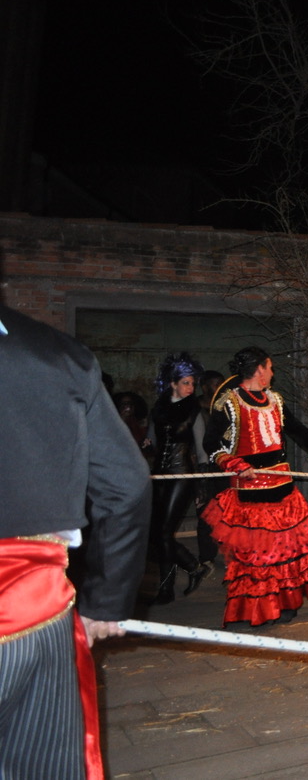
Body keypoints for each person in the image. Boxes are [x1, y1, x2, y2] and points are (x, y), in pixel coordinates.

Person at [0, 305, 151, 779]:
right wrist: (105, 602)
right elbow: (127, 483)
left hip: (35, 603)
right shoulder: (56, 353)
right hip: (37, 614)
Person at [203, 347, 308, 626]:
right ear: (259, 370)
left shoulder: (276, 401)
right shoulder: (229, 404)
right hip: (251, 498)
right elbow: (211, 444)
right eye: (270, 367)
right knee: (264, 559)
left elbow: (298, 432)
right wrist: (230, 462)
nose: (273, 373)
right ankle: (278, 607)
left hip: (285, 492)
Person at [148, 352, 206, 605]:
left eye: (193, 383)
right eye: (185, 383)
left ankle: (173, 582)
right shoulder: (159, 408)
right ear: (172, 383)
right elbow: (151, 439)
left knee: (162, 532)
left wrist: (202, 480)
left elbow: (201, 446)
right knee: (156, 534)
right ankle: (188, 571)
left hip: (182, 473)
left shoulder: (193, 409)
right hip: (159, 474)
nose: (191, 388)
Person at [187, 369, 225, 593]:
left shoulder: (224, 407)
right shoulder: (195, 408)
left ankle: (229, 554)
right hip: (202, 466)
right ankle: (207, 557)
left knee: (227, 510)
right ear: (204, 386)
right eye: (214, 384)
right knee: (205, 512)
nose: (218, 388)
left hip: (223, 465)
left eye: (220, 383)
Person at [113, 390, 154, 466]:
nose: (127, 406)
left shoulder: (137, 425)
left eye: (130, 403)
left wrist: (145, 445)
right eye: (124, 404)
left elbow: (147, 448)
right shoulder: (113, 424)